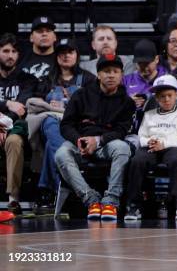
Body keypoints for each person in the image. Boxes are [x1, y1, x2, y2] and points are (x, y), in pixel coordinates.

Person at [55, 54, 135, 221]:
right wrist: (79, 140)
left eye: (115, 71)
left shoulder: (127, 102)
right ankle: (90, 199)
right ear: (98, 74)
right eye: (106, 71)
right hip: (80, 142)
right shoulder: (81, 95)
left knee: (122, 148)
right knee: (61, 154)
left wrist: (98, 140)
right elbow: (66, 125)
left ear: (121, 75)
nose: (111, 75)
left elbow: (121, 131)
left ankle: (110, 202)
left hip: (107, 143)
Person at [30, 38, 96, 209]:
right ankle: (64, 181)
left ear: (77, 55)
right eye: (62, 53)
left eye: (70, 52)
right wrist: (47, 104)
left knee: (54, 142)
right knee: (52, 124)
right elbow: (34, 103)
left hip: (77, 125)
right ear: (56, 57)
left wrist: (66, 106)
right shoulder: (46, 80)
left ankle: (47, 189)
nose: (66, 56)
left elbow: (94, 106)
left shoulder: (88, 79)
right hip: (51, 120)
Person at [124, 75, 177, 222]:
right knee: (137, 160)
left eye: (169, 95)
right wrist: (149, 141)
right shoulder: (149, 115)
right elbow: (141, 136)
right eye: (162, 96)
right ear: (156, 98)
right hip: (151, 147)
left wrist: (164, 143)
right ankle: (134, 205)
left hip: (173, 147)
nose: (166, 99)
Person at [0, 33, 38, 214]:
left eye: (14, 51)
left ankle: (13, 198)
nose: (10, 55)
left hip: (15, 128)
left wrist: (4, 123)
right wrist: (7, 103)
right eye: (5, 51)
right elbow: (13, 106)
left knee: (14, 141)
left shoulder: (28, 80)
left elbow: (21, 108)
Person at [18, 16, 57, 80]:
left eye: (48, 31)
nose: (44, 34)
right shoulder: (19, 59)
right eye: (39, 31)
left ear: (55, 37)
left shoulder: (62, 60)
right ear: (31, 37)